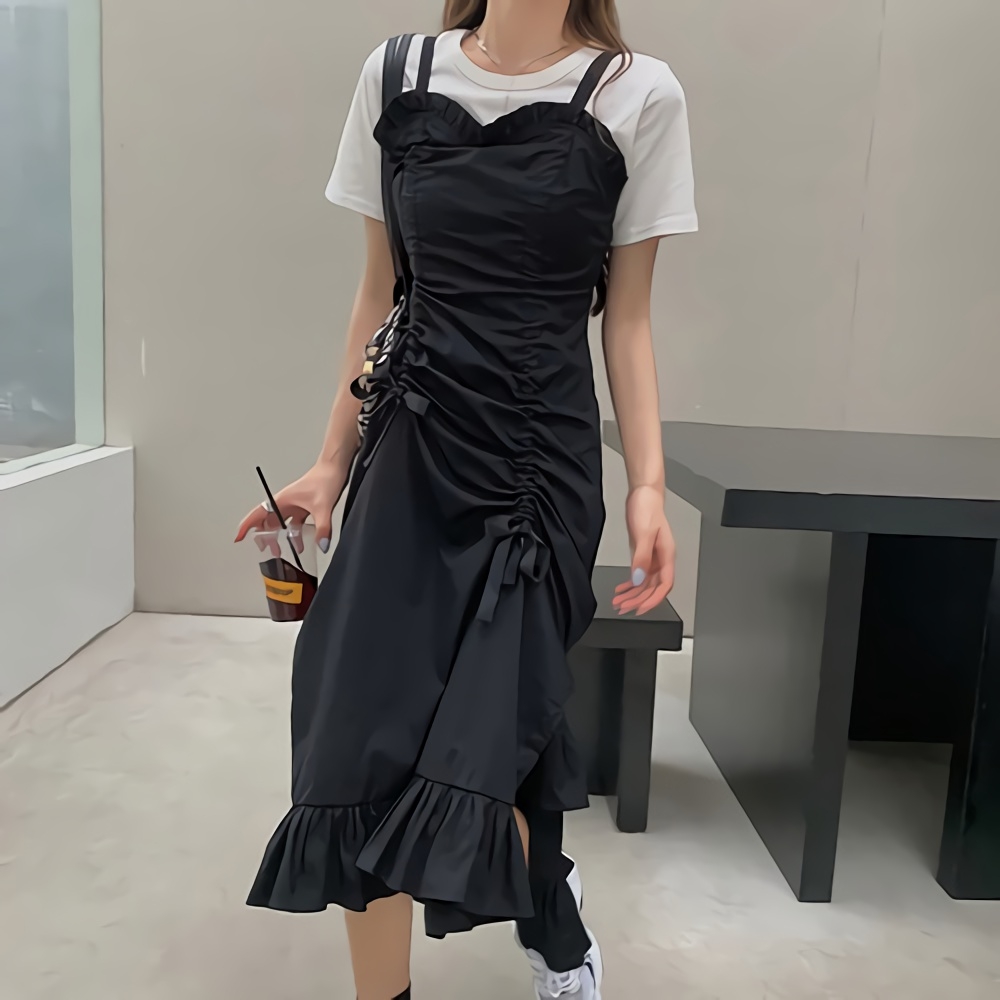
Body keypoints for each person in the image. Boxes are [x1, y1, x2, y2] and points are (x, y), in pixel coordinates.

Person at [235, 2, 696, 997]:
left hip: (536, 471)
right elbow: (379, 292)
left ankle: (550, 916)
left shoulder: (637, 94)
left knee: (482, 746)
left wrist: (648, 485)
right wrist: (330, 460)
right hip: (410, 450)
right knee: (355, 746)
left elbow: (626, 319)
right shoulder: (397, 74)